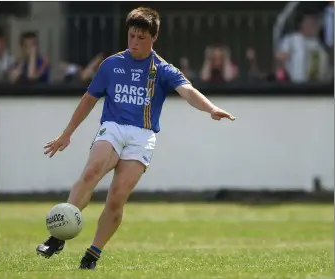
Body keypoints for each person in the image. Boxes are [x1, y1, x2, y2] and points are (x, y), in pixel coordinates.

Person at [36, 7, 235, 270]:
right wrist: (66, 134)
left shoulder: (162, 70)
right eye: (131, 36)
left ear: (154, 38)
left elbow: (188, 91)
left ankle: (92, 255)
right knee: (91, 172)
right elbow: (89, 100)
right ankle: (58, 236)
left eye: (141, 38)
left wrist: (211, 109)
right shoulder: (112, 65)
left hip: (142, 136)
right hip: (113, 127)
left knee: (117, 196)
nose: (134, 43)